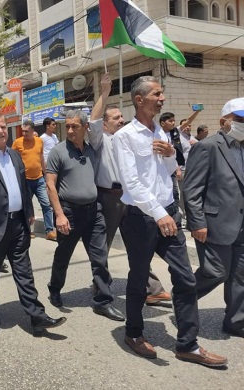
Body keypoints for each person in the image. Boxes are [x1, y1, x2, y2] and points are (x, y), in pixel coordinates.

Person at [112, 75, 227, 367]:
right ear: (139, 100)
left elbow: (172, 170)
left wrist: (170, 153)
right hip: (141, 218)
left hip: (169, 212)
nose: (162, 98)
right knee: (138, 279)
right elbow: (131, 183)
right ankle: (133, 333)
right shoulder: (125, 136)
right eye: (157, 94)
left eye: (162, 94)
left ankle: (188, 344)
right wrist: (158, 212)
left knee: (186, 278)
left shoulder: (162, 132)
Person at [0, 112, 66, 335]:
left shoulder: (14, 154)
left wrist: (29, 212)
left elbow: (23, 186)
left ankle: (36, 315)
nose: (1, 131)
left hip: (18, 225)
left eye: (3, 127)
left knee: (24, 272)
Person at [88, 73, 171, 306]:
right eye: (115, 118)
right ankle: (101, 288)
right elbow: (92, 122)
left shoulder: (134, 136)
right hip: (110, 198)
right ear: (105, 124)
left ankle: (152, 287)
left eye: (122, 116)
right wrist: (104, 93)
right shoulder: (100, 140)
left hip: (135, 199)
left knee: (140, 244)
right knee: (102, 245)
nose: (121, 120)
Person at [45, 109, 125, 322]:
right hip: (69, 213)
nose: (70, 130)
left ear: (85, 127)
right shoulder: (58, 152)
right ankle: (54, 288)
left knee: (100, 258)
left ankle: (103, 301)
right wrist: (59, 215)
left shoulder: (92, 151)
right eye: (68, 126)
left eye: (75, 126)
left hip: (93, 211)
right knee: (63, 255)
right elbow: (50, 186)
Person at [183, 97, 244, 337]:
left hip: (241, 224)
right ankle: (184, 298)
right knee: (216, 272)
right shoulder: (207, 146)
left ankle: (236, 321)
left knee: (240, 275)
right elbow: (191, 189)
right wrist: (197, 223)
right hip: (215, 224)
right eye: (240, 119)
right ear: (224, 121)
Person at [13, 119, 56, 241]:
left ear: (33, 130)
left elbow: (41, 158)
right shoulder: (17, 143)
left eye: (27, 131)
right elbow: (12, 159)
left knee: (46, 204)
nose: (24, 133)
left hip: (39, 179)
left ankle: (49, 231)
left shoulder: (39, 141)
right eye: (23, 131)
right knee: (27, 206)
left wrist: (46, 173)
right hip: (24, 180)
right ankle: (28, 230)